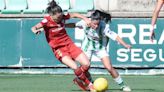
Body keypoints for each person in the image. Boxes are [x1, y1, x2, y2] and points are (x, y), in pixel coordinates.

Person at [31, 0, 95, 91]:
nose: (59, 19)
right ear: (51, 15)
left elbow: (75, 14)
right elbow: (34, 27)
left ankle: (78, 78)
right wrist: (35, 31)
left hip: (69, 44)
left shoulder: (62, 17)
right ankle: (89, 85)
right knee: (75, 67)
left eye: (61, 16)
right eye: (57, 18)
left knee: (86, 64)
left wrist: (85, 19)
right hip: (59, 49)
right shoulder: (46, 21)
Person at [75, 10, 132, 92]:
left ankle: (122, 86)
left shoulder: (104, 26)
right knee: (85, 67)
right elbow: (74, 25)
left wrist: (125, 45)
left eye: (97, 24)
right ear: (90, 20)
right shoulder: (85, 22)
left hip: (100, 48)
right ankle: (91, 83)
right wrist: (62, 26)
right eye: (94, 24)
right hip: (87, 47)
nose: (96, 26)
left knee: (109, 67)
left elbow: (115, 36)